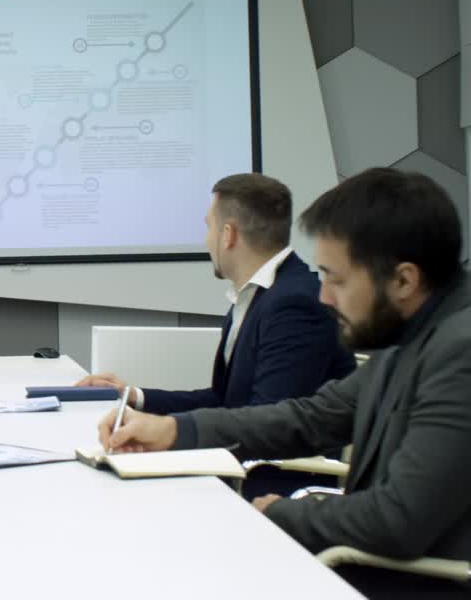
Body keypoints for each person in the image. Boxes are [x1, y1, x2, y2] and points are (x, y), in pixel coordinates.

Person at [98, 168, 471, 599]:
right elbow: (310, 417)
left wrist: (283, 514)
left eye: (337, 279)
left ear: (404, 281)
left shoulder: (459, 353)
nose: (325, 297)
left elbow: (397, 520)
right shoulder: (413, 335)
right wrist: (174, 430)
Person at [77, 173, 355, 496]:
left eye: (208, 227)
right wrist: (136, 396)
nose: (206, 240)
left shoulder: (293, 303)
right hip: (239, 463)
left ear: (228, 235)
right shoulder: (259, 295)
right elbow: (225, 400)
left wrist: (173, 435)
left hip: (271, 486)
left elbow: (268, 422)